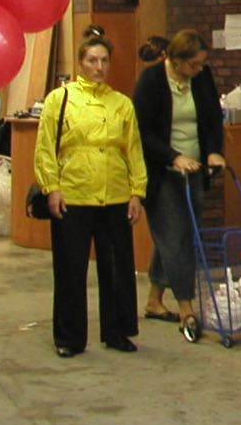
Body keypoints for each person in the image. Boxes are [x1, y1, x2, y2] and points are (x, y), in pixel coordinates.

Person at [36, 33, 147, 359]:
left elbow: (134, 150)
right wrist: (51, 186)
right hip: (74, 193)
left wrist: (136, 191)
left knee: (117, 267)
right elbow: (46, 147)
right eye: (92, 60)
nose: (98, 67)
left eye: (104, 61)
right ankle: (69, 337)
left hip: (113, 194)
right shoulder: (61, 99)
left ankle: (117, 331)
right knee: (71, 269)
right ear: (81, 62)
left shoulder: (122, 104)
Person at [132, 29, 226, 339]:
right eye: (194, 65)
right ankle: (186, 306)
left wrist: (213, 151)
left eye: (202, 65)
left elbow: (212, 117)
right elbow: (143, 133)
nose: (199, 70)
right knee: (176, 236)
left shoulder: (201, 78)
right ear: (175, 60)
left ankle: (154, 301)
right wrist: (173, 157)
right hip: (162, 172)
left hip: (195, 169)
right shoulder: (151, 82)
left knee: (180, 232)